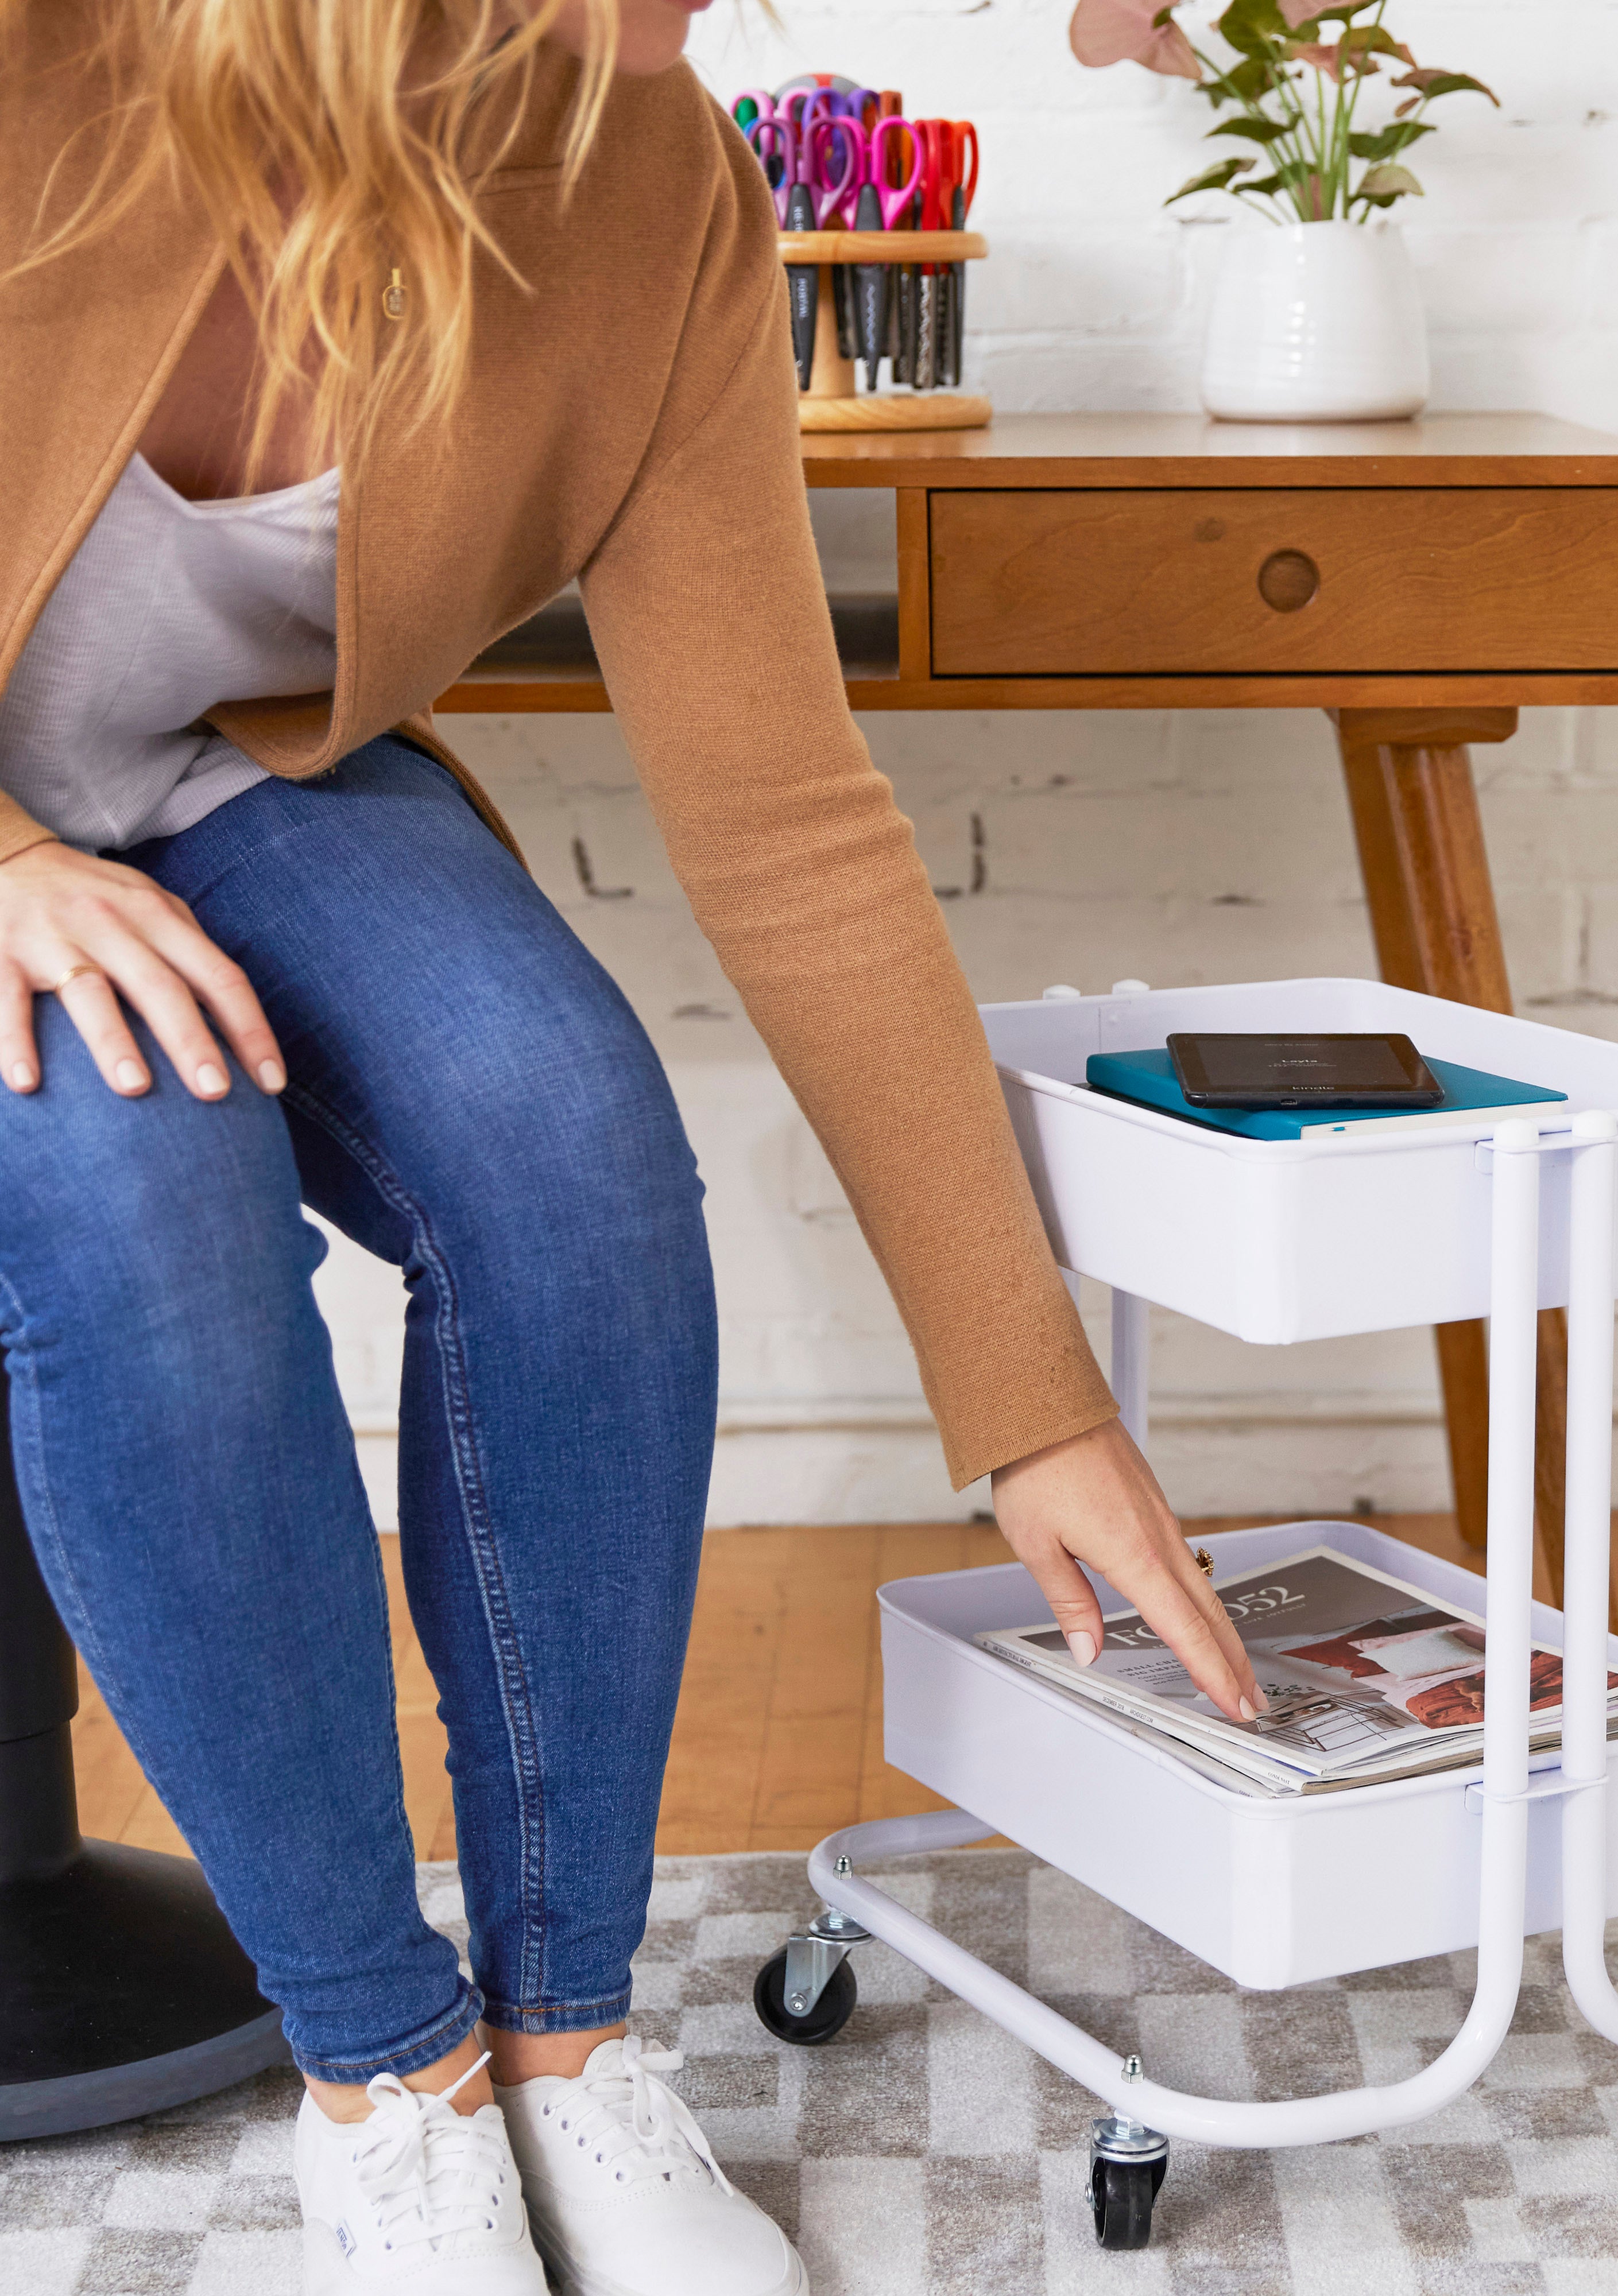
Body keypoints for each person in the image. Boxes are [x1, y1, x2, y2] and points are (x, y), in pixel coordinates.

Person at [0, 2, 1263, 2288]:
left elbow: (790, 821)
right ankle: (389, 2084)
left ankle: (565, 2042)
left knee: (564, 1135)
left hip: (211, 781)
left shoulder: (650, 183)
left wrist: (1031, 1394)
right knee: (139, 1174)